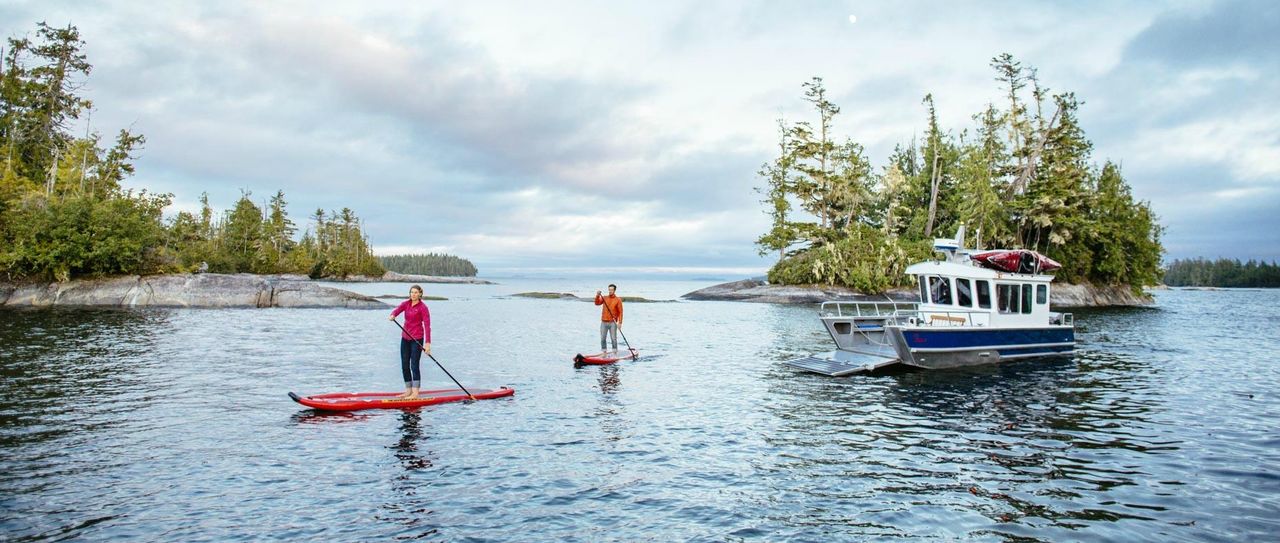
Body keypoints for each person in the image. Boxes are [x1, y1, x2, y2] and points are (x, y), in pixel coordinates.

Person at [388, 284, 431, 399]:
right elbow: (397, 310)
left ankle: (415, 392)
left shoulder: (423, 307)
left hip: (417, 339)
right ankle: (408, 391)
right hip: (405, 338)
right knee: (404, 364)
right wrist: (393, 315)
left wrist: (427, 343)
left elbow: (427, 326)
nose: (413, 294)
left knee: (414, 365)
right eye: (412, 292)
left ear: (420, 294)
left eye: (416, 292)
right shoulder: (406, 304)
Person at [594, 284, 623, 354]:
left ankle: (615, 352)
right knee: (603, 338)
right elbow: (597, 303)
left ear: (614, 290)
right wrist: (597, 295)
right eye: (609, 290)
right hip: (603, 322)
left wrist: (620, 322)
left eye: (612, 290)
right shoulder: (604, 298)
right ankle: (604, 352)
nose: (610, 291)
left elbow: (620, 312)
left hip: (613, 322)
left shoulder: (618, 300)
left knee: (613, 338)